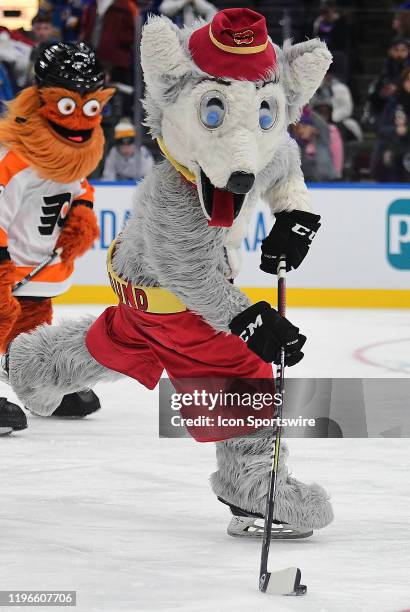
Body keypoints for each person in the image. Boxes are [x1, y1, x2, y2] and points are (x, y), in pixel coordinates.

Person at [4, 9, 334, 538]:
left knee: (123, 337)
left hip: (141, 290)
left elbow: (283, 163)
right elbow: (189, 274)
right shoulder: (175, 195)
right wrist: (248, 320)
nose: (243, 151)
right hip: (173, 291)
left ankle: (37, 366)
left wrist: (295, 216)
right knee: (243, 371)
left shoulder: (265, 146)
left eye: (265, 117)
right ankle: (251, 487)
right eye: (214, 115)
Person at [0, 42, 114, 434]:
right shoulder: (13, 157)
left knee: (31, 332)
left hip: (37, 271)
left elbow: (81, 188)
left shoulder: (68, 154)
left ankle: (38, 381)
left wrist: (81, 214)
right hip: (7, 269)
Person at [371, 66, 410, 182]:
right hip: (396, 147)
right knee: (387, 154)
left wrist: (407, 128)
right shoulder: (394, 102)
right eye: (408, 79)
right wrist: (395, 130)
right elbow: (381, 128)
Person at [366, 38, 410, 126]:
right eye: (396, 50)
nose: (400, 53)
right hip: (390, 99)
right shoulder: (388, 64)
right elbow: (384, 79)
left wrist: (397, 86)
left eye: (403, 50)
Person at [292, 107, 338, 181]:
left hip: (327, 183)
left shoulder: (323, 142)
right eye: (298, 127)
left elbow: (322, 126)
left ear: (314, 128)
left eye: (304, 126)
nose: (300, 130)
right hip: (307, 184)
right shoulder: (296, 145)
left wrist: (308, 112)